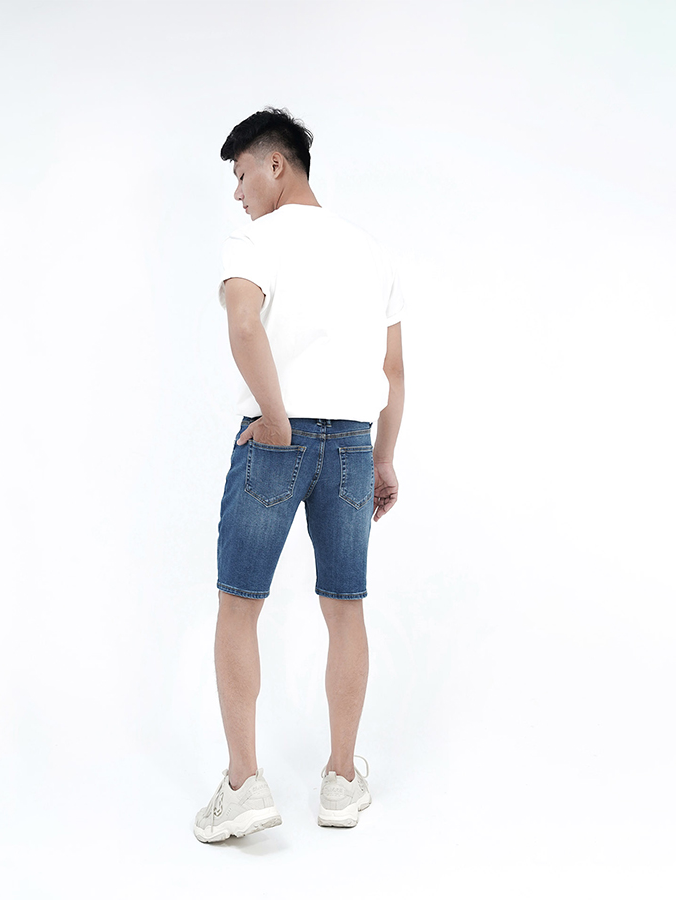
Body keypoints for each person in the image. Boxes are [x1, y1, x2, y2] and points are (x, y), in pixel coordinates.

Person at [193, 108, 405, 843]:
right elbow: (394, 372)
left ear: (276, 165)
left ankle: (243, 786)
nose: (238, 192)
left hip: (274, 440)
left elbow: (243, 323)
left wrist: (278, 419)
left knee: (239, 605)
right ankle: (342, 781)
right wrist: (384, 458)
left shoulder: (256, 240)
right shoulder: (370, 252)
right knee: (345, 608)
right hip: (351, 445)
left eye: (241, 173)